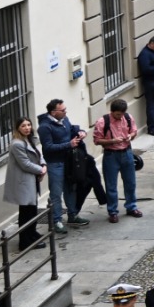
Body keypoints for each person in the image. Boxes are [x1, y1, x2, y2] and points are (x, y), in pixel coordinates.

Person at [38, 99, 89, 233]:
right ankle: (57, 220)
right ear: (53, 113)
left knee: (71, 188)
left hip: (69, 160)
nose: (66, 112)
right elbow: (48, 147)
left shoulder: (64, 119)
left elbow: (72, 130)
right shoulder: (45, 127)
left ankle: (72, 215)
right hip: (55, 163)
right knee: (56, 192)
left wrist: (81, 132)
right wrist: (68, 144)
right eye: (63, 110)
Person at [94, 98, 142, 223]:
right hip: (111, 155)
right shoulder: (102, 121)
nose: (119, 116)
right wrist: (112, 141)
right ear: (112, 111)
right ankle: (112, 211)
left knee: (130, 183)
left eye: (121, 114)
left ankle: (131, 207)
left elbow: (134, 131)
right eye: (117, 114)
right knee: (111, 185)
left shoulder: (127, 118)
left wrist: (130, 136)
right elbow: (97, 140)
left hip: (126, 152)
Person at [3, 117, 46, 251]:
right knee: (26, 212)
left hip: (30, 180)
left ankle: (32, 234)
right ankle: (25, 241)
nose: (27, 128)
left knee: (32, 210)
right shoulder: (17, 144)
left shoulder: (29, 139)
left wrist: (43, 164)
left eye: (28, 125)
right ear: (18, 129)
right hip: (23, 181)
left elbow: (38, 154)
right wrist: (41, 169)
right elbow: (25, 164)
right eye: (23, 126)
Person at [137, 35, 154, 134]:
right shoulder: (145, 54)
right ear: (152, 44)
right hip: (150, 82)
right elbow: (146, 70)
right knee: (152, 105)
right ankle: (152, 128)